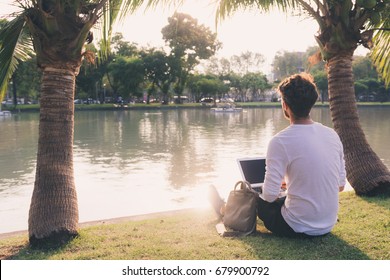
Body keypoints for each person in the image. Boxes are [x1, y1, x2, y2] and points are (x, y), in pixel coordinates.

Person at [258, 72, 346, 237]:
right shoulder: (331, 134)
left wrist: (268, 190)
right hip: (327, 225)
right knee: (284, 196)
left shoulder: (280, 141)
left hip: (296, 227)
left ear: (284, 105)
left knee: (255, 199)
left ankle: (225, 210)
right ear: (311, 103)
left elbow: (269, 196)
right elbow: (340, 186)